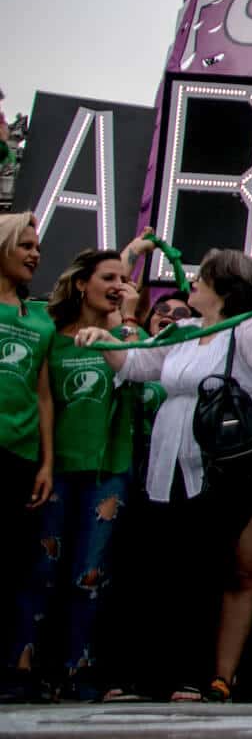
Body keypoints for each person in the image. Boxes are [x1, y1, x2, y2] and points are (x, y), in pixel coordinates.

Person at [87, 249, 252, 701]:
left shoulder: (246, 328)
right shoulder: (183, 331)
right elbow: (135, 364)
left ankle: (192, 675)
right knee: (157, 569)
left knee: (199, 570)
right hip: (167, 462)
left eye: (201, 280)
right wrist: (104, 333)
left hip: (219, 468)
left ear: (222, 288)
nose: (192, 287)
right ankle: (146, 676)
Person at [12, 248, 135, 701]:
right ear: (83, 283)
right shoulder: (51, 336)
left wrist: (127, 331)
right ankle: (24, 669)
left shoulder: (126, 337)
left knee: (89, 576)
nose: (118, 284)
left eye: (123, 278)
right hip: (58, 470)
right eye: (108, 277)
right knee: (41, 573)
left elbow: (147, 386)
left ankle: (76, 673)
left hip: (108, 473)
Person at [0, 213, 54, 703]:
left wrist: (46, 462)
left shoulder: (38, 317)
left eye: (38, 246)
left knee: (12, 565)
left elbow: (42, 395)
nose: (35, 254)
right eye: (26, 245)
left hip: (19, 454)